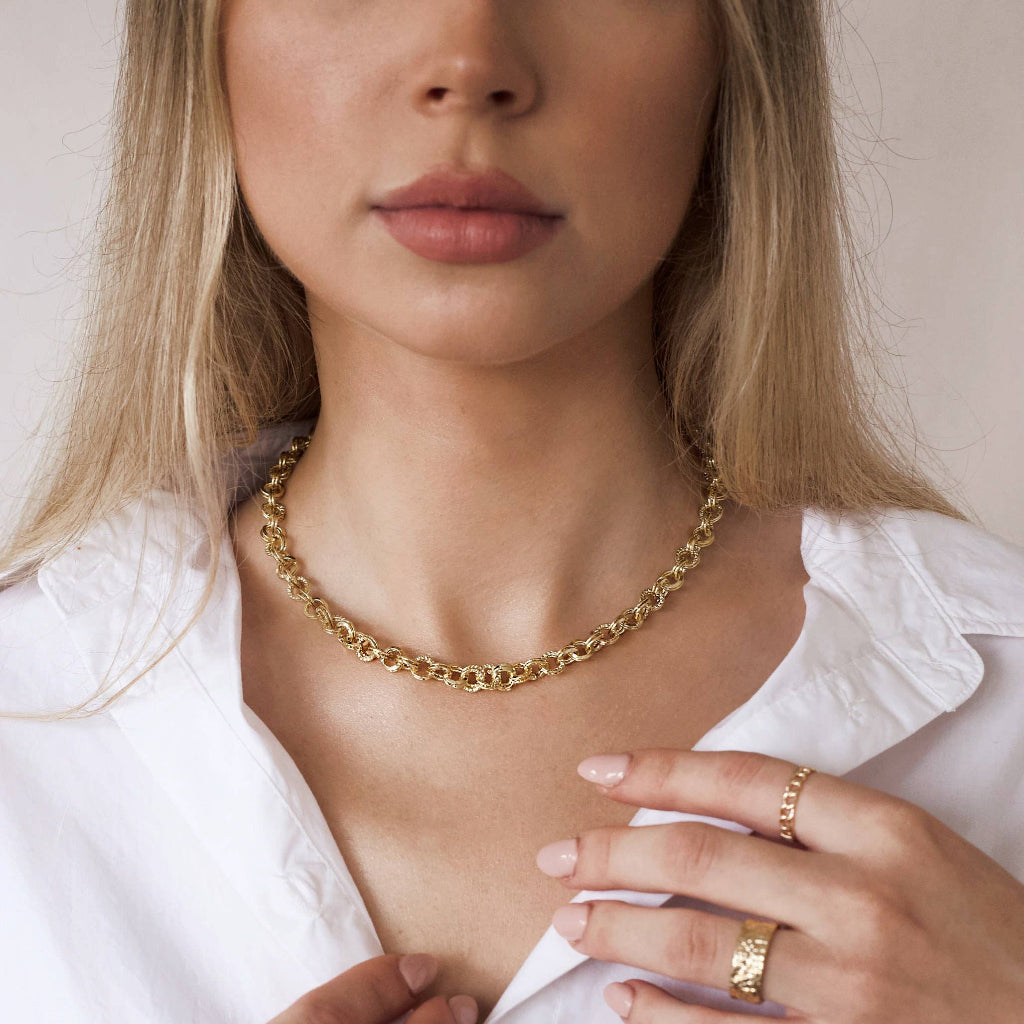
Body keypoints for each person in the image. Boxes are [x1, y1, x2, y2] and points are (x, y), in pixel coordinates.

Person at [0, 1, 1021, 1023]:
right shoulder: (27, 723)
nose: (469, 62)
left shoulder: (1000, 696)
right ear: (201, 42)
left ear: (732, 46)